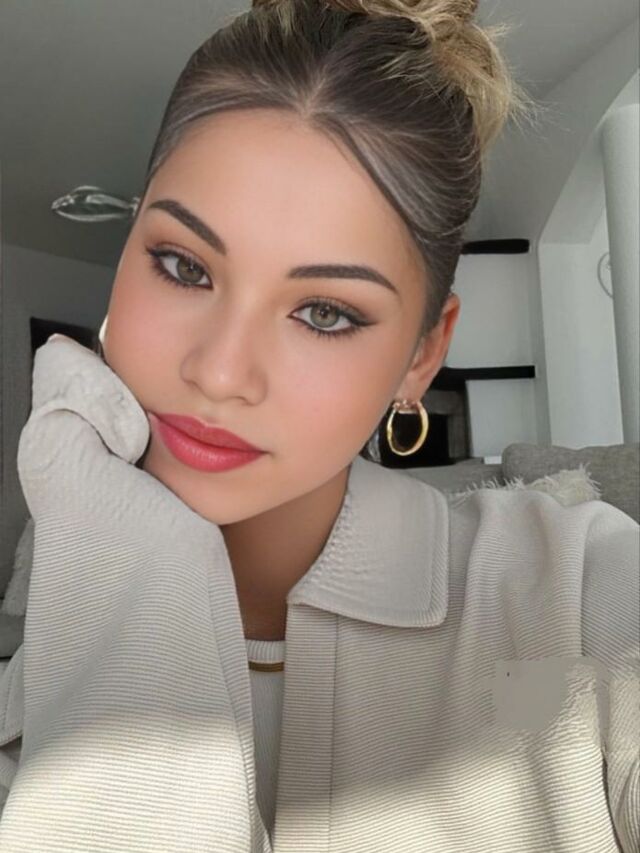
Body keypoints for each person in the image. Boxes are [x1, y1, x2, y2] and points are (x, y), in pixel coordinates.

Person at [0, 1, 638, 851]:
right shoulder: (53, 631)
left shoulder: (581, 593)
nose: (220, 372)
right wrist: (137, 584)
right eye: (183, 265)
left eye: (326, 313)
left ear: (422, 352)